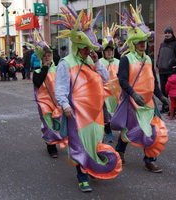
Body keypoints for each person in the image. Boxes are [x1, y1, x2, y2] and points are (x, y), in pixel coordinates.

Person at [53, 7, 122, 192]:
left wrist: (97, 61)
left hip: (96, 113)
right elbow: (59, 88)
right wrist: (65, 105)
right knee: (79, 143)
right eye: (85, 47)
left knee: (93, 141)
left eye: (90, 47)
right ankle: (82, 176)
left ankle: (91, 166)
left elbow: (106, 79)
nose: (87, 50)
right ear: (77, 45)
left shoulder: (92, 62)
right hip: (76, 112)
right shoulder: (65, 63)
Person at [114, 4, 169, 173]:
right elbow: (122, 80)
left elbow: (154, 82)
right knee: (129, 131)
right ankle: (119, 152)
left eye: (144, 41)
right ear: (133, 42)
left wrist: (161, 96)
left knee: (152, 130)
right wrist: (133, 94)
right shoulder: (126, 59)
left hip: (149, 103)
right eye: (139, 41)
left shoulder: (149, 59)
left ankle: (149, 160)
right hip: (133, 102)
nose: (143, 44)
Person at [31, 29, 67, 159]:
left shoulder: (58, 69)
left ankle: (59, 141)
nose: (47, 57)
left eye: (49, 55)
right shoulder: (38, 71)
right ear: (41, 57)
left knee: (59, 124)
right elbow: (37, 82)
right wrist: (45, 68)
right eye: (45, 56)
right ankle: (51, 147)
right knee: (48, 125)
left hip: (58, 102)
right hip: (44, 103)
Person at [99, 23, 120, 143]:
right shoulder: (100, 62)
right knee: (106, 114)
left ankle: (118, 129)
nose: (109, 52)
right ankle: (109, 132)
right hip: (105, 92)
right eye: (107, 51)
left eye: (111, 51)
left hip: (116, 93)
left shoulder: (118, 61)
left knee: (117, 112)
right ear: (104, 52)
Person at [156, 26, 176, 113]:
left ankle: (174, 107)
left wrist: (171, 64)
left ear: (172, 34)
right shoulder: (162, 44)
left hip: (170, 71)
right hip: (162, 70)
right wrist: (158, 63)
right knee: (163, 89)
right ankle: (165, 106)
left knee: (171, 89)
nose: (167, 34)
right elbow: (159, 55)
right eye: (166, 33)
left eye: (169, 33)